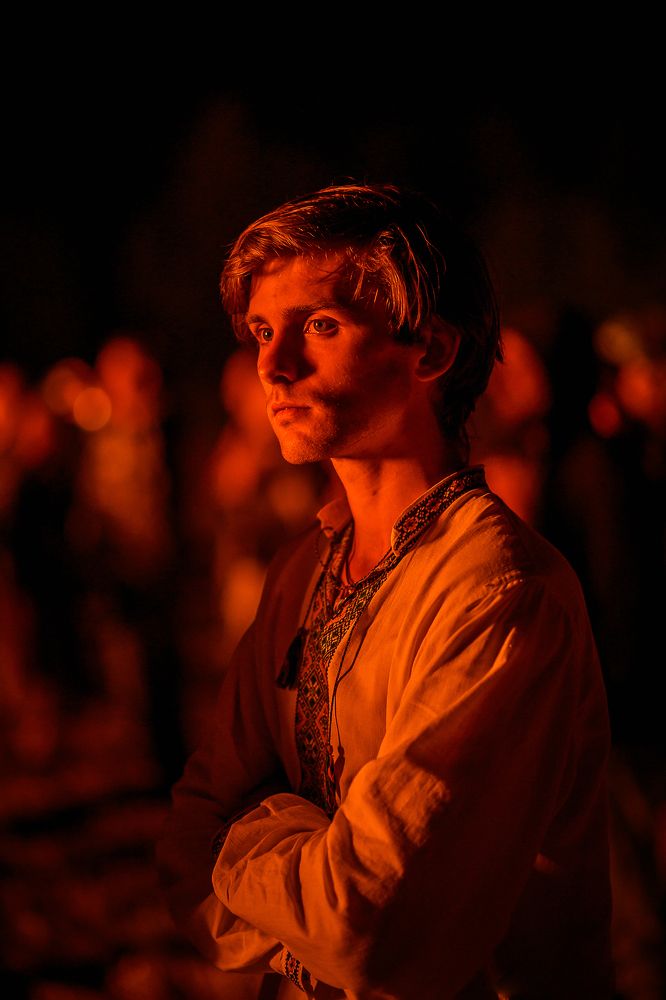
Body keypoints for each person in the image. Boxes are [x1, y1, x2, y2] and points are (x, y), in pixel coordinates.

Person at [156, 183, 613, 998]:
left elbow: (369, 928)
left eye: (320, 326)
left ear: (429, 350)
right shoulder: (303, 571)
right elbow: (187, 853)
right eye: (262, 330)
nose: (273, 365)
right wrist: (304, 891)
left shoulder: (499, 593)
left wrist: (259, 844)